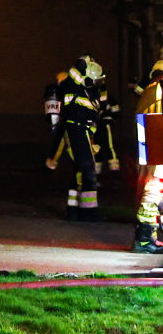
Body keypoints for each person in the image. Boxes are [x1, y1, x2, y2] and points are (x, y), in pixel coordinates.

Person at [45, 55, 113, 222]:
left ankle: (73, 210)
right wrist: (85, 60)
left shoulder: (89, 92)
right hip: (76, 129)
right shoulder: (72, 86)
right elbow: (77, 69)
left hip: (84, 131)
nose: (97, 82)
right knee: (88, 171)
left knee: (79, 171)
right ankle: (88, 212)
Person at [132, 57, 163, 252]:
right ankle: (143, 240)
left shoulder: (150, 91)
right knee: (153, 190)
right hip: (156, 144)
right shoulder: (157, 92)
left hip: (149, 143)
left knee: (155, 191)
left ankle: (148, 237)